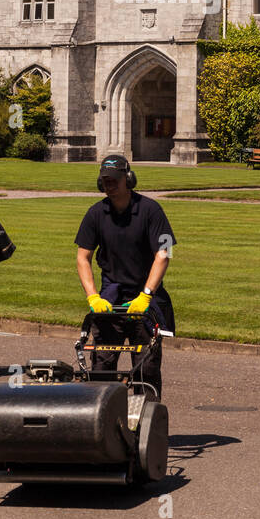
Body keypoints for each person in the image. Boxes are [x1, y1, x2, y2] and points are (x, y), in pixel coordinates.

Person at [74, 153, 176, 398]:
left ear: (128, 179)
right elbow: (82, 257)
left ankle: (146, 423)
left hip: (144, 301)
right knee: (101, 368)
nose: (109, 185)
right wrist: (93, 298)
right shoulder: (95, 214)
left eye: (114, 180)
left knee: (146, 371)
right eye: (105, 180)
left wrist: (146, 295)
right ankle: (103, 423)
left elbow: (164, 254)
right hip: (111, 300)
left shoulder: (151, 210)